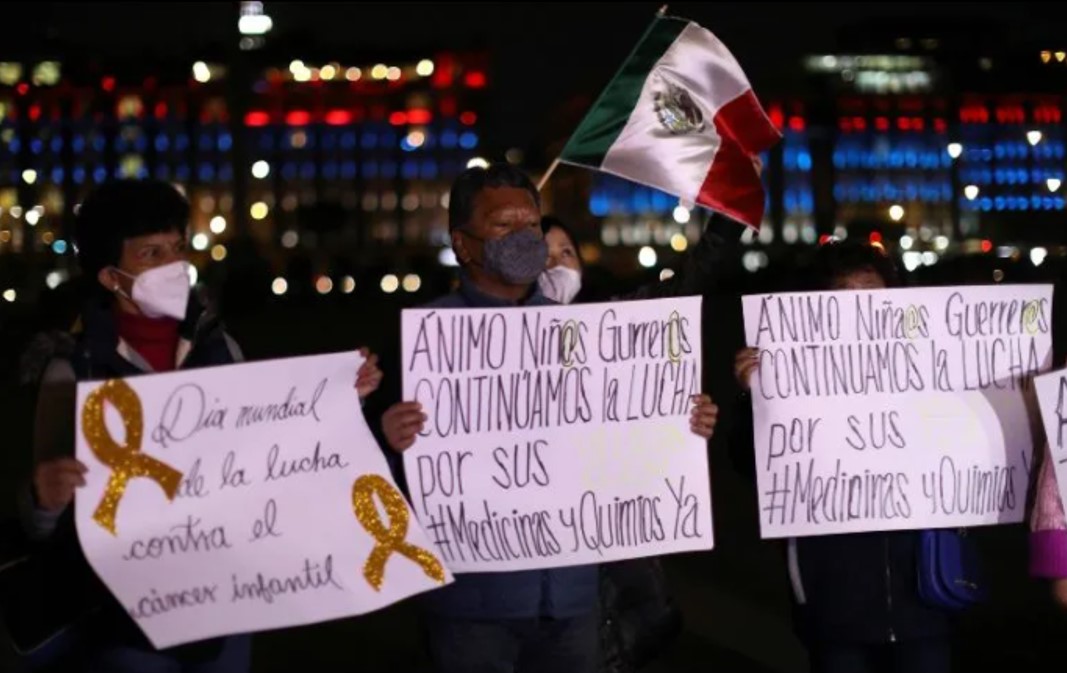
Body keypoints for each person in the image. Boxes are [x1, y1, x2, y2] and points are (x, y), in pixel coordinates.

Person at [15, 179, 382, 673]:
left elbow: (270, 454)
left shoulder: (218, 348)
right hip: (122, 619)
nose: (173, 265)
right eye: (151, 253)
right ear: (110, 276)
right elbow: (44, 517)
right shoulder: (73, 371)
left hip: (223, 604)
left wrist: (336, 400)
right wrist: (45, 499)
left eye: (177, 248)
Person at [378, 163, 719, 673]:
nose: (523, 237)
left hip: (572, 603)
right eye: (502, 225)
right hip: (471, 609)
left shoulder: (586, 335)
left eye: (531, 225)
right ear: (463, 243)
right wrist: (386, 438)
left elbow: (622, 435)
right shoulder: (426, 342)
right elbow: (373, 477)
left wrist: (679, 425)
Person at [734, 240, 953, 673]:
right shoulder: (790, 379)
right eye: (842, 298)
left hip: (925, 594)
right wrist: (754, 398)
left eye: (870, 297)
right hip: (834, 603)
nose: (857, 311)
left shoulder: (932, 369)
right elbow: (750, 464)